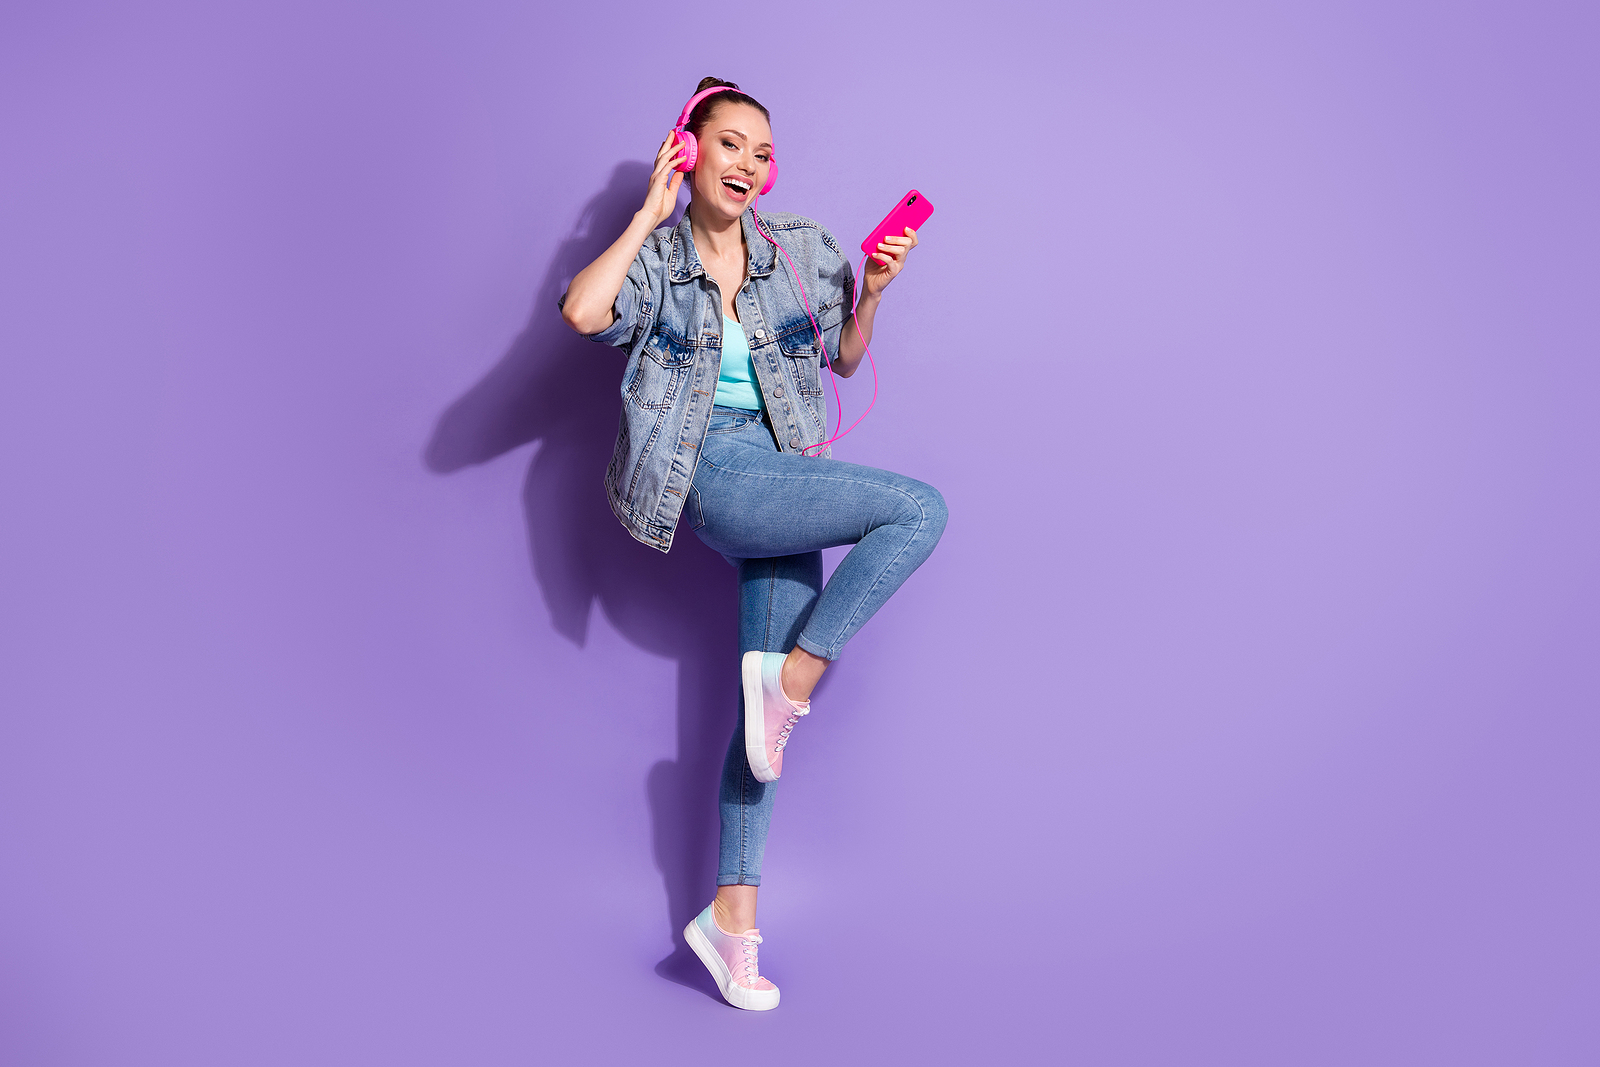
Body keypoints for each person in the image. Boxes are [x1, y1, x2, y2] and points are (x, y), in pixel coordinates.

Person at [559, 78, 946, 1010]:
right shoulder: (659, 259)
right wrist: (649, 212)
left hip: (786, 474)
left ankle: (730, 921)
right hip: (713, 473)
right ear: (689, 150)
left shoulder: (797, 248)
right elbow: (582, 313)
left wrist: (874, 292)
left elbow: (842, 358)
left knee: (760, 738)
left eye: (762, 152)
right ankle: (795, 680)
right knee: (918, 508)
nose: (749, 164)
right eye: (730, 143)